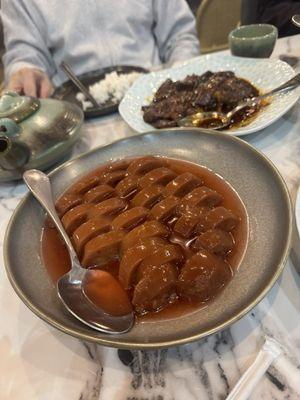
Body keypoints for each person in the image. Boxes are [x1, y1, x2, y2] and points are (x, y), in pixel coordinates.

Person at [1, 0, 200, 98]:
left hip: (154, 96)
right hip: (75, 118)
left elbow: (180, 35)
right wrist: (25, 69)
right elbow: (25, 52)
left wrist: (180, 82)